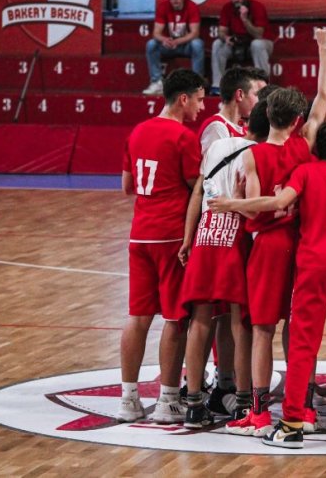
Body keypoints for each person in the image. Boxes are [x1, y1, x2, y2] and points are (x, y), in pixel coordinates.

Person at [209, 122, 326, 449]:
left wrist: (232, 204)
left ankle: (292, 423)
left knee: (302, 344)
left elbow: (275, 203)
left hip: (315, 264)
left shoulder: (305, 173)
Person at [221, 27, 326, 438]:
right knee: (296, 329)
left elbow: (254, 206)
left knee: (262, 329)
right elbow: (323, 98)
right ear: (299, 119)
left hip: (267, 244)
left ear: (265, 115)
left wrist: (233, 201)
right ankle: (302, 402)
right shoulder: (305, 144)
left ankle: (259, 412)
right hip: (302, 244)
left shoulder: (252, 155)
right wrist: (324, 49)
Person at [116, 69, 205, 423]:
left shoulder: (137, 131)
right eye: (198, 100)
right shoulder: (184, 137)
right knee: (174, 318)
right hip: (171, 236)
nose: (201, 107)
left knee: (138, 317)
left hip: (140, 234)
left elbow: (126, 186)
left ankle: (128, 398)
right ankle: (168, 401)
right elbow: (194, 187)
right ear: (183, 98)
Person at [179, 100, 272, 428]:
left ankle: (193, 402)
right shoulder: (256, 153)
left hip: (205, 231)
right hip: (235, 234)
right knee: (239, 320)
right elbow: (252, 207)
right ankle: (243, 400)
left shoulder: (218, 145)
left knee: (200, 319)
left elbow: (197, 195)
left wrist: (188, 237)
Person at [210, 0, 274, 95]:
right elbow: (221, 30)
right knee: (217, 44)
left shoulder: (257, 7)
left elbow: (258, 34)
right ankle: (217, 85)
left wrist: (245, 20)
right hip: (237, 44)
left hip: (260, 43)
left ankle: (263, 86)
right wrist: (226, 38)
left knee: (257, 44)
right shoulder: (227, 8)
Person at [143, 0, 204, 96]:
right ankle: (157, 82)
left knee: (197, 44)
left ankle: (196, 85)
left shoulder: (191, 7)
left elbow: (195, 33)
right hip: (169, 45)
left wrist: (177, 41)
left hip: (185, 46)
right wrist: (164, 40)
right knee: (151, 44)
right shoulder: (163, 7)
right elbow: (156, 33)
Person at [197, 67, 268, 153]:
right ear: (240, 95)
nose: (258, 100)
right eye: (256, 94)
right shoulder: (216, 128)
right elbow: (214, 166)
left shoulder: (244, 128)